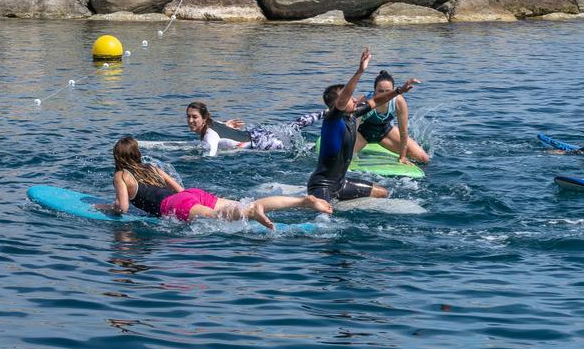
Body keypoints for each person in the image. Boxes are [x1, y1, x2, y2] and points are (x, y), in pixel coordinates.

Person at [111, 136, 331, 228]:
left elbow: (123, 207)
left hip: (175, 206)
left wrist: (107, 208)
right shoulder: (152, 168)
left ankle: (252, 214)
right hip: (191, 195)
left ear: (118, 158)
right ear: (137, 154)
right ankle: (303, 201)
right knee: (247, 204)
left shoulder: (121, 175)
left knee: (227, 216)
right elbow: (180, 189)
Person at [308, 48, 419, 203]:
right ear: (338, 104)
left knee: (383, 193)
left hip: (341, 183)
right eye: (349, 98)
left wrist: (399, 91)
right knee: (324, 217)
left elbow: (376, 101)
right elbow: (343, 99)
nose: (354, 100)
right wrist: (360, 71)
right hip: (322, 186)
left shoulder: (353, 114)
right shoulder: (332, 120)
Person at [355, 70, 430, 166]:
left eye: (388, 91)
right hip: (362, 134)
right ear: (374, 90)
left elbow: (403, 132)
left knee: (424, 158)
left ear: (393, 91)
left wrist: (402, 157)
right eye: (380, 91)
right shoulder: (365, 100)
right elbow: (352, 128)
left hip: (385, 132)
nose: (384, 95)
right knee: (341, 158)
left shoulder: (398, 102)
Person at [187, 102, 324, 153]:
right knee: (293, 126)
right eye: (188, 116)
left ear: (204, 118)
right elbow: (222, 127)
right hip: (258, 133)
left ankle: (319, 149)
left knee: (298, 151)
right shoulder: (213, 123)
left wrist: (192, 159)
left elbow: (210, 156)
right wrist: (228, 126)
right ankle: (325, 113)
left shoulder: (209, 136)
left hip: (262, 142)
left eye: (194, 117)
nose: (190, 120)